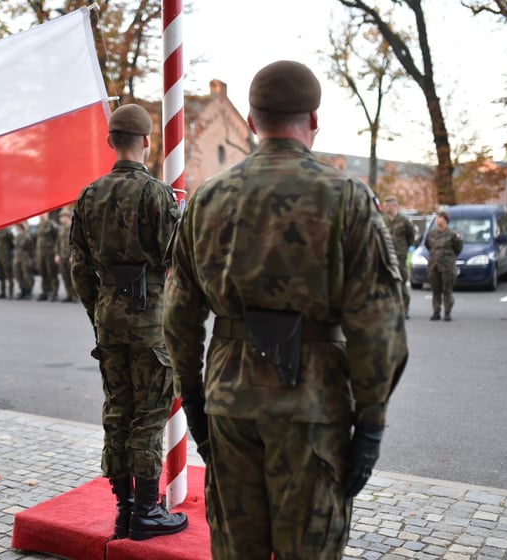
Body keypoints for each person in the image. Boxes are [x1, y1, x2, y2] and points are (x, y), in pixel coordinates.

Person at [162, 61, 408, 560]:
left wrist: (192, 399)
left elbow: (179, 314)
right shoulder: (347, 197)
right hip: (312, 409)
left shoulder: (209, 198)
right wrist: (373, 422)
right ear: (313, 118)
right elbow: (378, 323)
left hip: (230, 404)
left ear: (252, 122)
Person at [70, 103, 187, 541]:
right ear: (148, 141)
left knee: (117, 409)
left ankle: (122, 506)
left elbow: (79, 269)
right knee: (150, 414)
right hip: (149, 320)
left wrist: (98, 311)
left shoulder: (88, 196)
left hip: (109, 318)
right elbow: (177, 259)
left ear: (110, 142)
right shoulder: (157, 195)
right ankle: (146, 511)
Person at [383, 196, 417, 319]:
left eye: (388, 205)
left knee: (401, 284)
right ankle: (391, 309)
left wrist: (404, 249)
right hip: (386, 257)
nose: (385, 208)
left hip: (400, 258)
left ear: (394, 206)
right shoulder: (383, 220)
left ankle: (405, 309)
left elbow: (411, 237)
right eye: (384, 205)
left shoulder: (404, 220)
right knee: (387, 284)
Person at [425, 210, 463, 321]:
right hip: (434, 266)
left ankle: (447, 312)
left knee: (447, 290)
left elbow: (458, 248)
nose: (437, 220)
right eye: (436, 218)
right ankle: (436, 311)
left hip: (447, 266)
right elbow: (428, 246)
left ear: (445, 220)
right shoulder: (431, 234)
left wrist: (448, 258)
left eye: (439, 218)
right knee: (435, 290)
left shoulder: (452, 234)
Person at [35, 212, 60, 301]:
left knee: (52, 272)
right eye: (40, 214)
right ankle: (45, 291)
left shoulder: (52, 225)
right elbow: (36, 239)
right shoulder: (38, 226)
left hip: (50, 253)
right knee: (43, 272)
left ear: (47, 214)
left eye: (43, 214)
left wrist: (56, 252)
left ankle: (54, 292)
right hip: (40, 253)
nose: (41, 215)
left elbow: (58, 238)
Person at [55, 209, 76, 302]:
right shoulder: (61, 229)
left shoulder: (73, 228)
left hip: (70, 257)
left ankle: (75, 295)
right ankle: (69, 295)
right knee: (65, 277)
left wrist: (73, 255)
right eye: (60, 217)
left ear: (67, 217)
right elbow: (57, 243)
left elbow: (76, 243)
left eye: (63, 217)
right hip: (62, 256)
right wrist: (57, 254)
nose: (61, 219)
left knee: (73, 277)